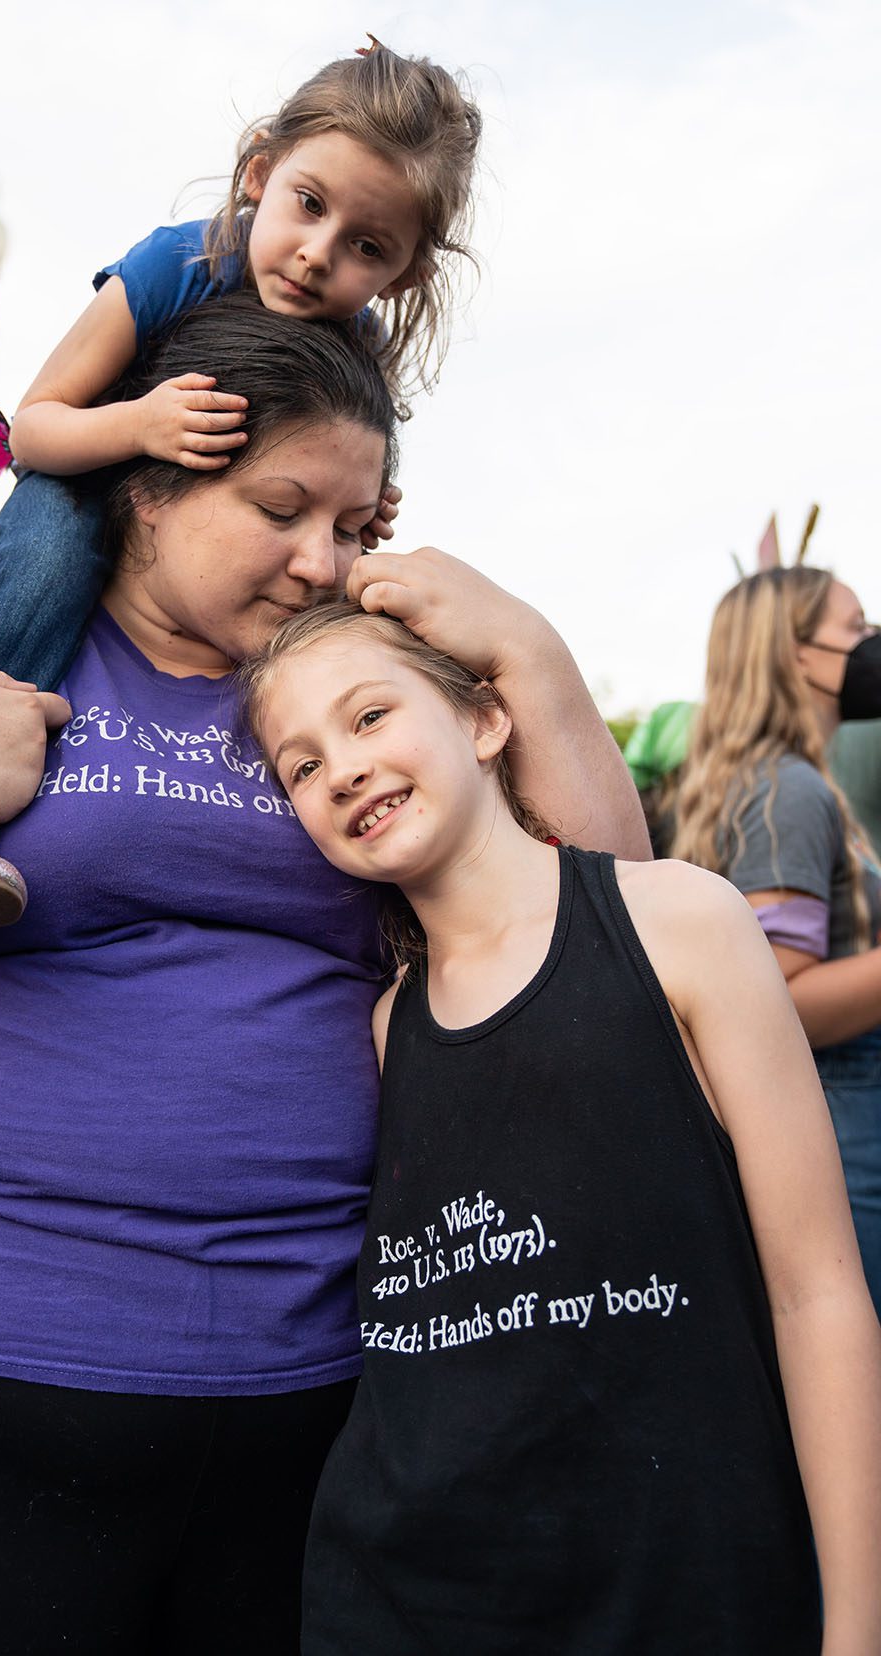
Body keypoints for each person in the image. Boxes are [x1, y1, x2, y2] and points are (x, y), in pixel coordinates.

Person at [0, 298, 647, 1653]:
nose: (322, 559)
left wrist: (532, 659)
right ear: (147, 488)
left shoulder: (356, 711)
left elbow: (612, 949)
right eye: (281, 508)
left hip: (303, 1395)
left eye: (355, 526)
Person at [241, 600, 881, 1654]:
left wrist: (854, 1625)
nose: (342, 770)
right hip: (404, 1592)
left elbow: (818, 1291)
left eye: (368, 717)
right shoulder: (388, 1022)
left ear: (486, 721)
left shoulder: (679, 920)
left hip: (677, 1586)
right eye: (300, 766)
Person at [0, 36, 482, 939]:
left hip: (193, 530)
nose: (318, 255)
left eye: (366, 246)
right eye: (307, 205)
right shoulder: (179, 265)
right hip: (89, 469)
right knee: (41, 569)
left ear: (408, 273)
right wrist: (139, 426)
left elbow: (334, 465)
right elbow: (37, 424)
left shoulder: (357, 347)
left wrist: (360, 510)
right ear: (259, 171)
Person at [672, 568, 881, 1320]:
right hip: (842, 1115)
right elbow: (780, 1002)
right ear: (795, 653)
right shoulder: (787, 789)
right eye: (856, 628)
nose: (869, 646)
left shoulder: (767, 781)